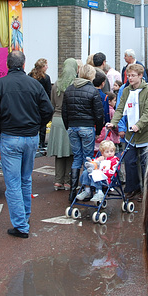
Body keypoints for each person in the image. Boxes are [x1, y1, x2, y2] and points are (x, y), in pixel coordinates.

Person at [0, 51, 54, 239]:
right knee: (25, 179)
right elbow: (47, 109)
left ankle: (21, 225)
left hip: (10, 137)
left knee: (13, 182)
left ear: (7, 65)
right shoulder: (34, 84)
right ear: (24, 65)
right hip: (30, 137)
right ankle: (24, 217)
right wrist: (36, 126)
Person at [108, 63, 148, 201]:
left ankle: (146, 190)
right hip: (131, 134)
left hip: (146, 132)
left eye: (133, 75)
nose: (130, 78)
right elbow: (120, 109)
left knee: (145, 163)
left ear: (140, 76)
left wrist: (139, 124)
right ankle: (132, 188)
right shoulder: (125, 90)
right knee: (129, 161)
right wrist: (113, 123)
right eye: (128, 75)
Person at [62, 64, 105, 202]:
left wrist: (68, 126)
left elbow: (64, 112)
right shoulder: (92, 91)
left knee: (77, 158)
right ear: (91, 76)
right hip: (87, 127)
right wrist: (98, 130)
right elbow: (99, 114)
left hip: (73, 127)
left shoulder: (69, 89)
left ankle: (72, 192)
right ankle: (90, 189)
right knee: (88, 159)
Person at [47, 58, 77, 191]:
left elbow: (52, 104)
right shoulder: (75, 84)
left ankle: (57, 180)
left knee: (59, 153)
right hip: (70, 119)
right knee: (70, 152)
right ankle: (67, 181)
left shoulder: (56, 84)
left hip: (57, 120)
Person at [29, 58, 52, 149]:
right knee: (43, 124)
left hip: (31, 102)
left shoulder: (30, 76)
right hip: (41, 103)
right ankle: (41, 143)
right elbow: (48, 92)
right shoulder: (46, 78)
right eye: (46, 65)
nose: (47, 67)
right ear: (42, 67)